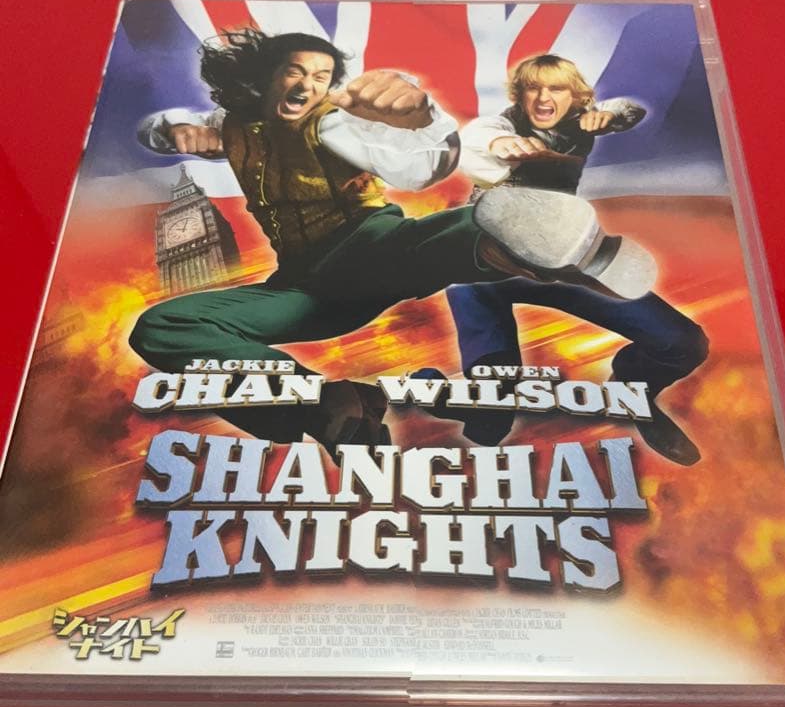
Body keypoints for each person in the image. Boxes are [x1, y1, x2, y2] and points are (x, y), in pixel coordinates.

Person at [132, 31, 638, 457]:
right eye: (295, 72)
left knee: (428, 238)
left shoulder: (332, 121)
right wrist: (172, 128)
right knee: (162, 326)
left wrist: (421, 118)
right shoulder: (232, 125)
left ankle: (533, 245)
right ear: (266, 77)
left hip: (365, 247)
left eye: (321, 77)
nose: (308, 85)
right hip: (305, 288)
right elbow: (155, 130)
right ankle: (325, 407)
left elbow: (418, 167)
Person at [440, 54, 708, 466]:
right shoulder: (502, 126)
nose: (543, 98)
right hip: (484, 270)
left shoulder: (581, 122)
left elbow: (628, 109)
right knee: (491, 420)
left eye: (556, 88)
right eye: (533, 88)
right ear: (519, 95)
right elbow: (478, 135)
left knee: (683, 343)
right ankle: (433, 394)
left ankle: (632, 391)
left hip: (559, 262)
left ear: (576, 97)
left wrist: (610, 115)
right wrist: (498, 145)